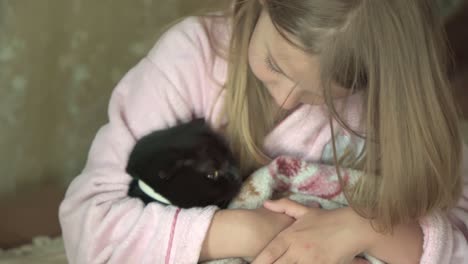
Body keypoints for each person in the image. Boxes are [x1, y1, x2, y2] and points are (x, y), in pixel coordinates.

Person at [59, 0, 468, 263]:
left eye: (321, 93)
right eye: (274, 64)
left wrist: (362, 228)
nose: (287, 99)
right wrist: (249, 232)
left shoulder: (393, 110)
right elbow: (89, 228)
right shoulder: (194, 57)